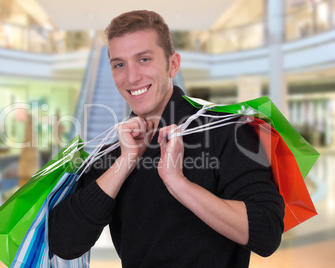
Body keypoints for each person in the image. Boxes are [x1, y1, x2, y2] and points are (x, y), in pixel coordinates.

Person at [49, 10, 284, 267]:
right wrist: (125, 162)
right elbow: (64, 243)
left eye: (144, 59)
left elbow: (266, 234)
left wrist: (177, 182)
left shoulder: (227, 129)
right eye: (119, 64)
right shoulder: (114, 152)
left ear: (173, 64)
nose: (131, 77)